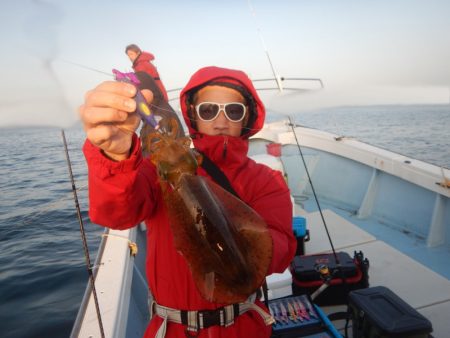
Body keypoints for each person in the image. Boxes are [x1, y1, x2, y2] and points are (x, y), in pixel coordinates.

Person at [79, 65, 297, 337]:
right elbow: (115, 214)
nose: (220, 121)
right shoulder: (153, 173)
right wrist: (114, 158)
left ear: (248, 117)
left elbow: (282, 249)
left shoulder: (267, 180)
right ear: (193, 114)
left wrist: (235, 241)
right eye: (208, 110)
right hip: (172, 329)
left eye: (233, 111)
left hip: (243, 326)